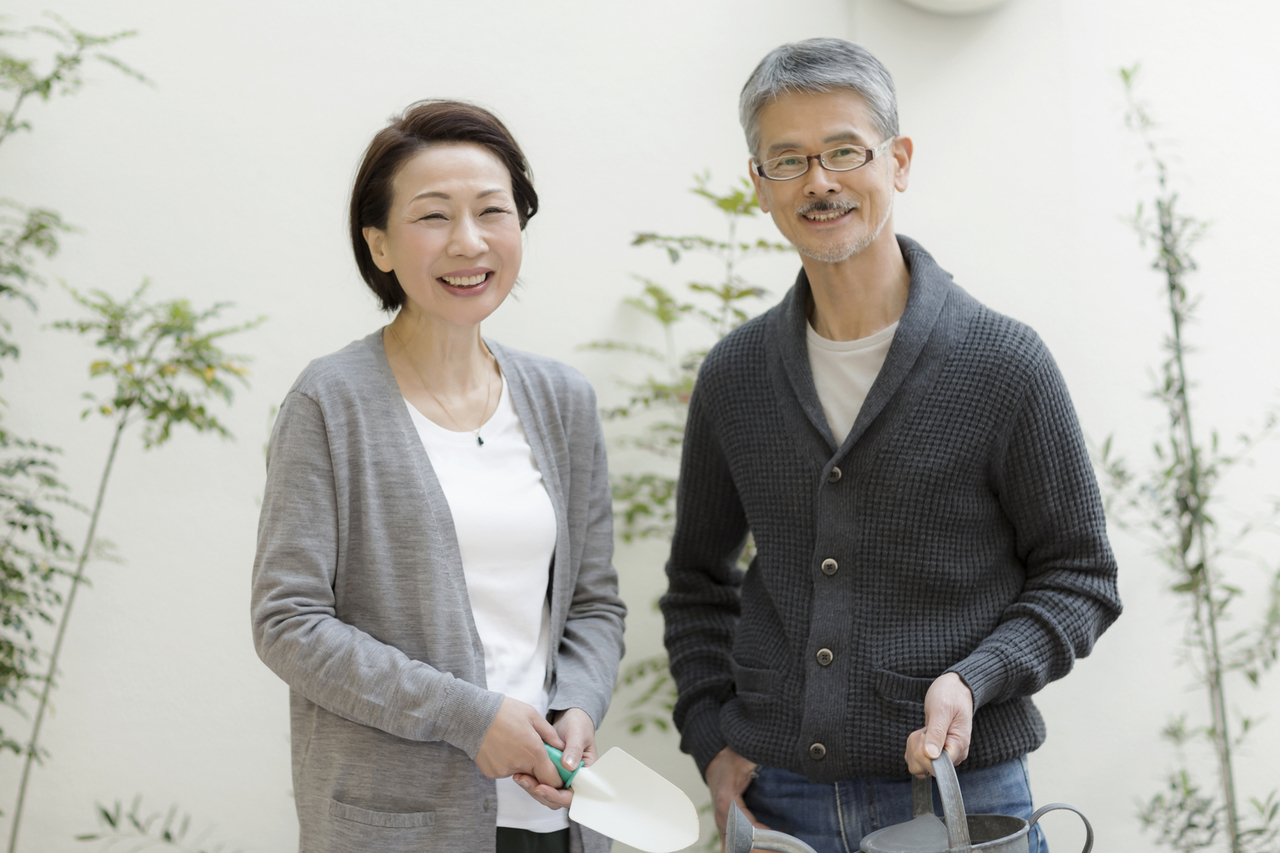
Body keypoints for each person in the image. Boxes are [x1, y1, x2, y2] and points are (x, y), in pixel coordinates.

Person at [659, 38, 1122, 853]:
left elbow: (1080, 575)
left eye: (845, 151)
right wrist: (709, 737)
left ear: (898, 161)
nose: (820, 181)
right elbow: (698, 581)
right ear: (759, 185)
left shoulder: (1002, 363)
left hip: (960, 797)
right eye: (789, 160)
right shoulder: (736, 375)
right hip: (780, 803)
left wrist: (973, 678)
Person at [251, 100, 626, 853]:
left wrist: (579, 706)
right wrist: (470, 718)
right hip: (397, 825)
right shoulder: (330, 402)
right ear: (380, 244)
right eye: (433, 216)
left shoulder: (562, 400)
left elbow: (592, 605)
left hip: (552, 814)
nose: (469, 241)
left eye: (492, 211)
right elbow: (288, 622)